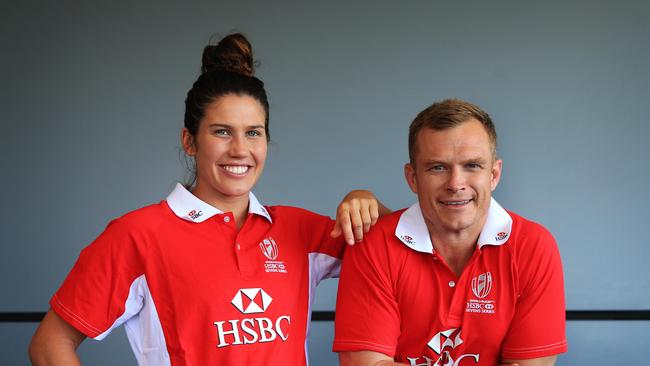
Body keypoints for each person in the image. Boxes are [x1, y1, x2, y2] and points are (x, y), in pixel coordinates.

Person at [29, 33, 389, 365]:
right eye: (221, 132)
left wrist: (364, 199)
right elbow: (49, 345)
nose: (240, 149)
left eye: (253, 133)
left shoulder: (299, 230)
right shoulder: (137, 235)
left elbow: (401, 246)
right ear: (189, 141)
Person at [333, 99, 567, 366]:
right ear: (412, 178)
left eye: (472, 166)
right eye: (438, 167)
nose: (456, 184)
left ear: (494, 174)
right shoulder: (373, 243)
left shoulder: (533, 246)